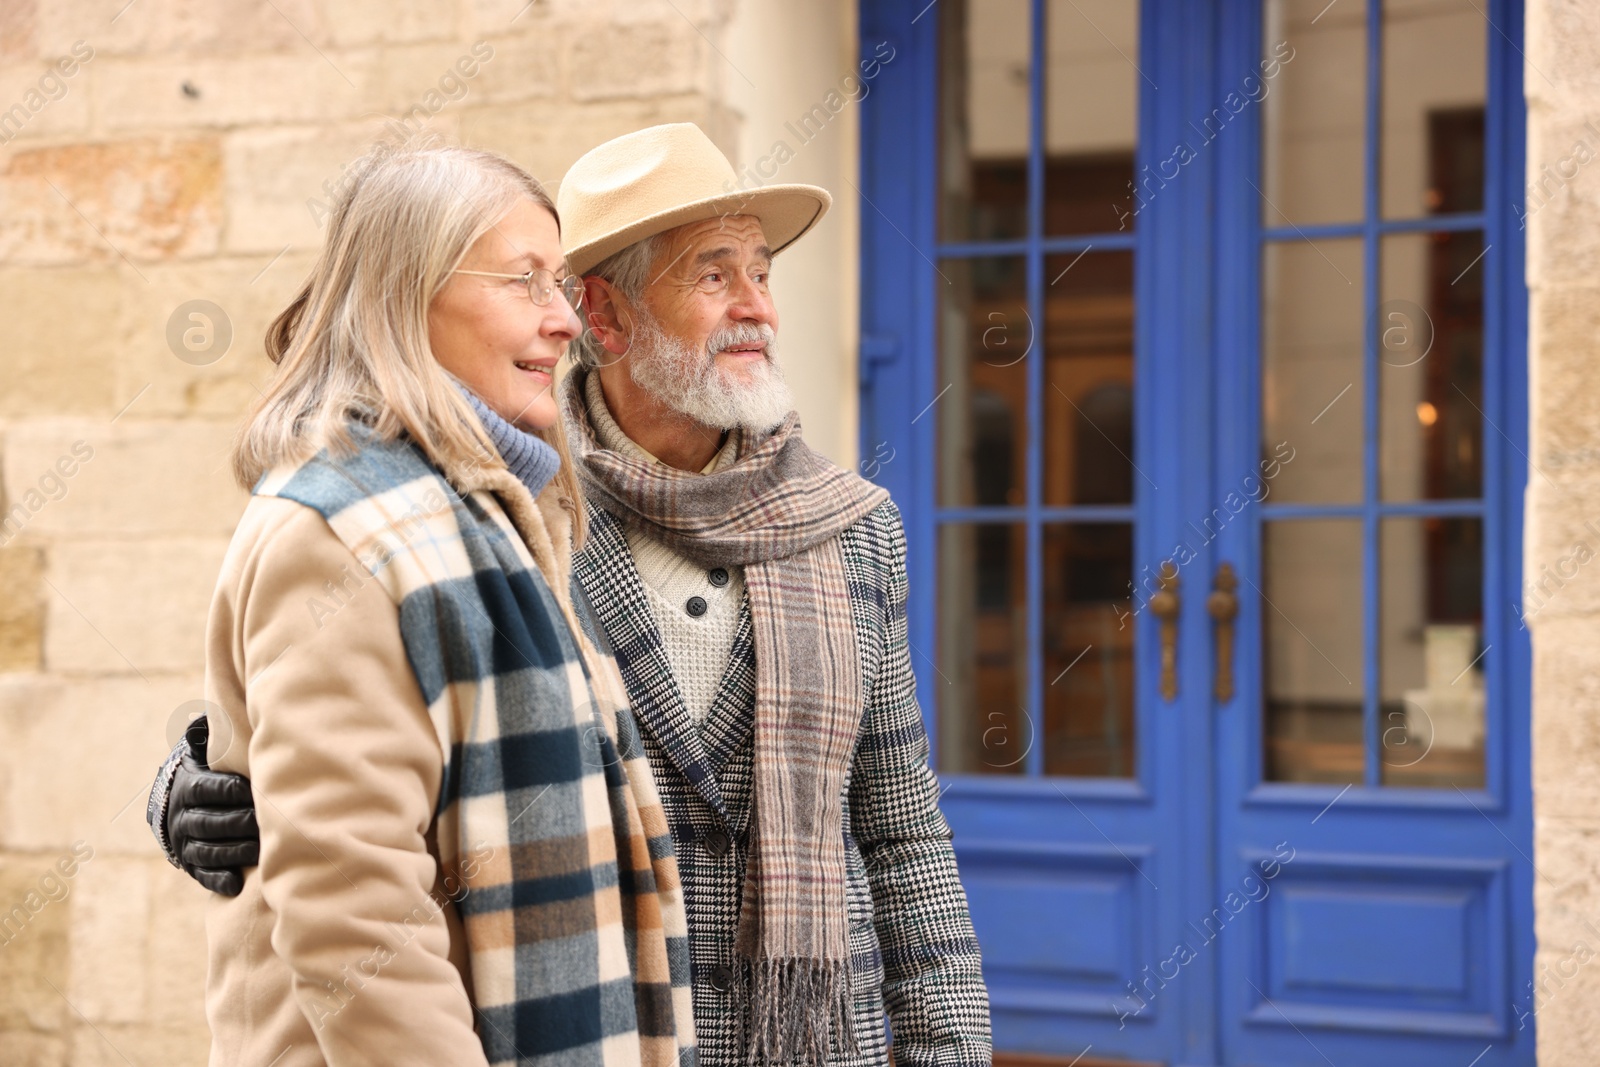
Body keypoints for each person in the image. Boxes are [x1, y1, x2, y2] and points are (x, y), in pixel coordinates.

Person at [155, 124, 992, 1067]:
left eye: (763, 272)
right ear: (605, 316)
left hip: (815, 1038)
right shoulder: (522, 509)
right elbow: (336, 732)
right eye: (715, 277)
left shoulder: (853, 526)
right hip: (594, 1032)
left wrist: (948, 1047)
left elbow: (903, 825)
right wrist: (194, 787)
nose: (758, 307)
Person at [159, 137, 694, 1067]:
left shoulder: (505, 510)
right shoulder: (339, 529)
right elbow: (354, 912)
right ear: (407, 295)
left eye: (561, 284)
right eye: (525, 281)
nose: (564, 320)